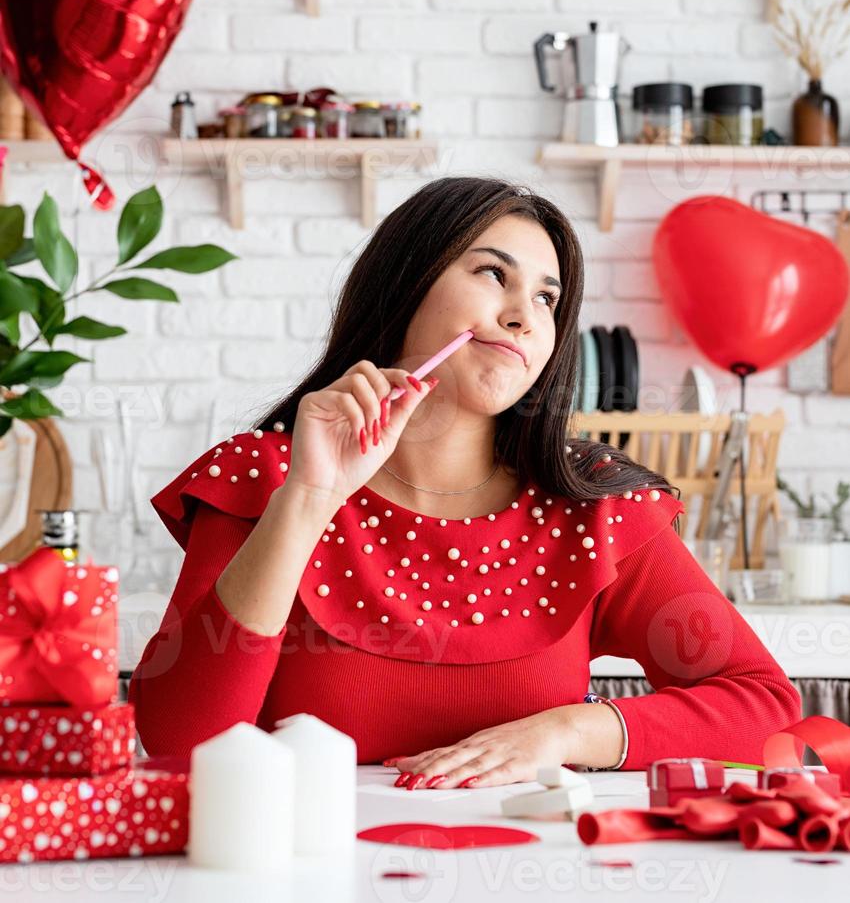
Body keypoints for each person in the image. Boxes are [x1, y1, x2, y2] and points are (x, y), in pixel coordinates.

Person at [130, 176, 801, 791]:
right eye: (491, 274)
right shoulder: (266, 475)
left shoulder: (591, 505)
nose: (525, 317)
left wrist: (567, 732)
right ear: (404, 284)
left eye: (546, 297)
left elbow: (764, 705)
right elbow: (180, 747)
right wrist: (308, 499)